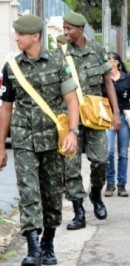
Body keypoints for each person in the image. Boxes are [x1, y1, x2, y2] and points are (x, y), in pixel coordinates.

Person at [0, 15, 79, 265]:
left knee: (52, 193)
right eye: (15, 34)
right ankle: (33, 247)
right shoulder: (10, 67)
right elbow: (6, 108)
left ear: (35, 36)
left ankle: (48, 244)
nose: (16, 38)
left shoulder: (58, 63)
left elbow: (72, 100)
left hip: (52, 140)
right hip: (23, 139)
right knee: (28, 192)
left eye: (20, 34)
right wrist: (1, 145)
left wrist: (73, 132)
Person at [61, 12, 121, 230]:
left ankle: (96, 193)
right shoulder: (60, 54)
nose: (65, 32)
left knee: (101, 160)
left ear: (80, 29)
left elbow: (108, 82)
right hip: (70, 120)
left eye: (69, 28)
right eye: (64, 28)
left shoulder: (97, 51)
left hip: (95, 117)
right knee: (71, 167)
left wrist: (116, 113)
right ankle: (78, 212)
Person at [103, 52, 130, 197]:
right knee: (109, 151)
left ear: (117, 62)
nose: (110, 62)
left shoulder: (127, 78)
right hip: (107, 117)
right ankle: (110, 184)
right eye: (107, 60)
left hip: (125, 117)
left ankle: (121, 185)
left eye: (112, 60)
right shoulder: (103, 79)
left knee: (123, 152)